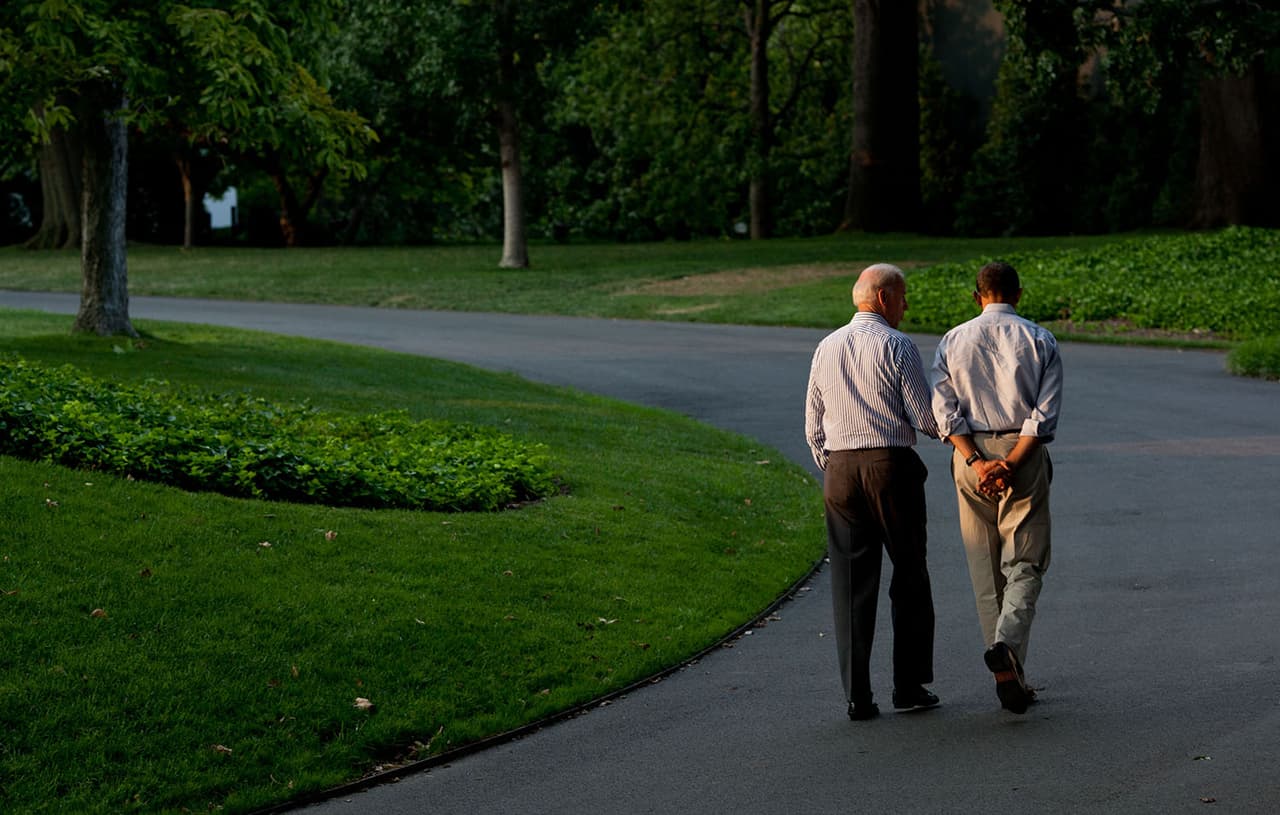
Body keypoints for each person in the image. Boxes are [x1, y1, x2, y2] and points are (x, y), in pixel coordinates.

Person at [805, 263, 941, 721]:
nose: (906, 306)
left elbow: (813, 425)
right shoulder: (898, 345)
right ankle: (909, 685)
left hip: (840, 471)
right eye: (903, 297)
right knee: (909, 574)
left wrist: (836, 466)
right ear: (883, 298)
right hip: (889, 466)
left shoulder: (825, 346)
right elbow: (923, 418)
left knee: (850, 584)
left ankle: (857, 696)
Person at [931, 260, 1063, 715]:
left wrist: (977, 461)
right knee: (1025, 560)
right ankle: (1008, 649)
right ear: (1018, 294)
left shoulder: (953, 340)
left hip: (969, 457)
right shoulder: (1040, 339)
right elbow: (1041, 417)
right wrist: (1006, 464)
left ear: (977, 296)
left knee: (983, 567)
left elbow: (944, 412)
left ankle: (1005, 666)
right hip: (1020, 454)